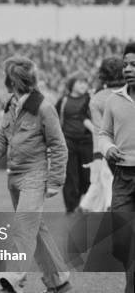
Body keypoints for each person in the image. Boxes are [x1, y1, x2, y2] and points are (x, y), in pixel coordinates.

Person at [0, 55, 71, 293]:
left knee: (22, 229)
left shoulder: (44, 108)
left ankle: (11, 284)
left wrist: (55, 181)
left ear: (11, 80)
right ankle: (58, 279)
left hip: (34, 176)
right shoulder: (11, 104)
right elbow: (1, 136)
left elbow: (59, 146)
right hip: (14, 177)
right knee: (35, 229)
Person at [98, 42, 135, 293]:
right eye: (126, 65)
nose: (128, 69)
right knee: (121, 241)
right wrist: (108, 147)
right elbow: (104, 133)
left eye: (133, 64)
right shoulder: (113, 100)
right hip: (122, 177)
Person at [79, 56, 125, 212]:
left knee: (110, 191)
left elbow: (100, 133)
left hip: (110, 154)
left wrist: (97, 158)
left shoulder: (97, 99)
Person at [55, 70, 93, 213]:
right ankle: (71, 208)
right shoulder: (63, 100)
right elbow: (55, 120)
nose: (84, 85)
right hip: (68, 142)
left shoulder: (90, 98)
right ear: (72, 84)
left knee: (88, 176)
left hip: (87, 142)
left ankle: (89, 205)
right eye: (80, 82)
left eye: (85, 82)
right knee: (70, 176)